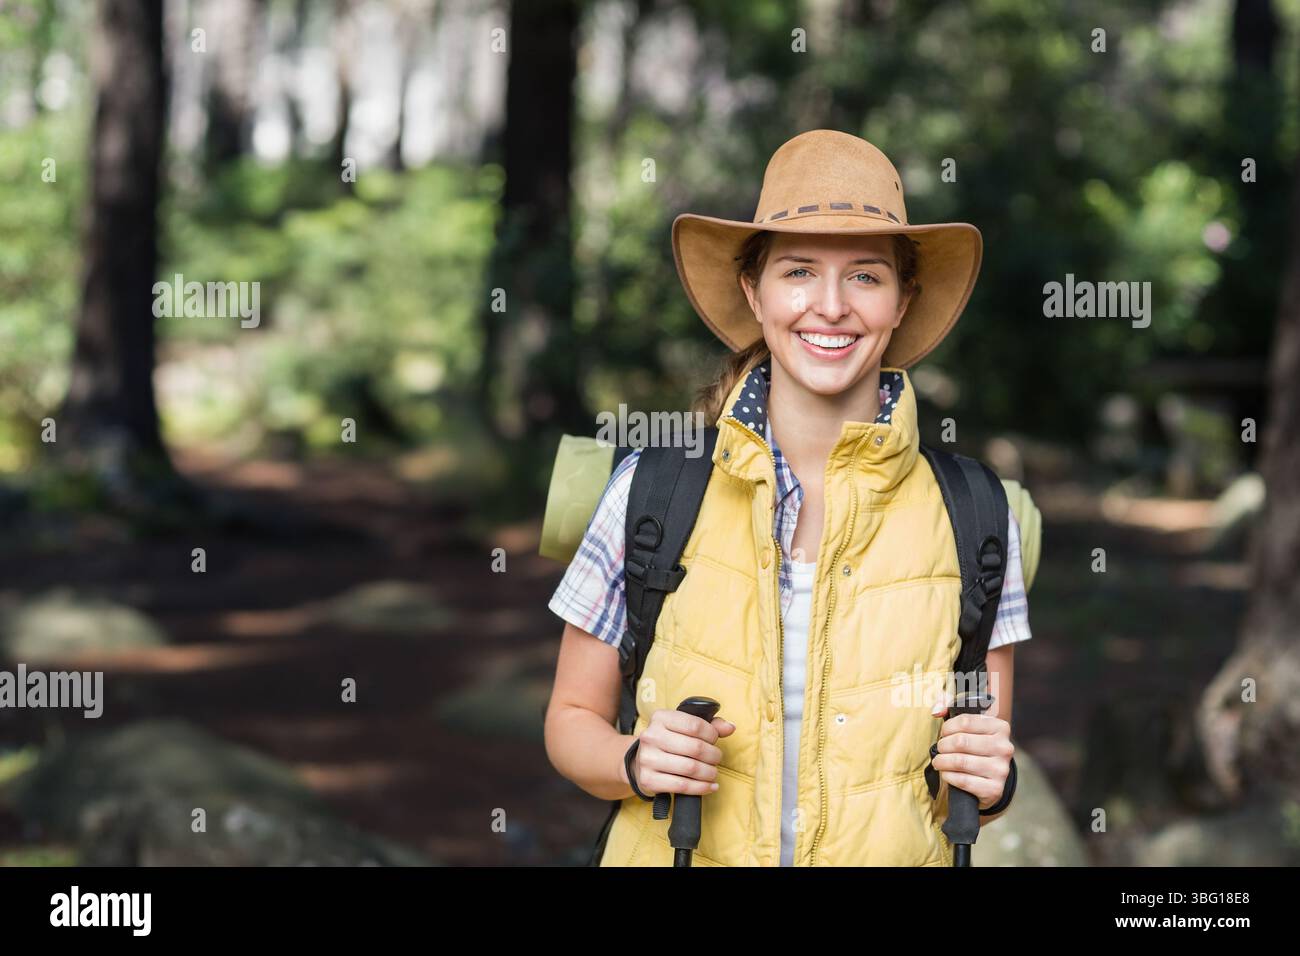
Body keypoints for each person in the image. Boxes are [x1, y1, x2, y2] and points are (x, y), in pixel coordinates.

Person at [544, 129, 1030, 866]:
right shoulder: (651, 490)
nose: (829, 306)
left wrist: (993, 782)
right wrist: (636, 762)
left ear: (903, 302)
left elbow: (971, 782)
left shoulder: (976, 516)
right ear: (754, 291)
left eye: (866, 276)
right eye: (799, 271)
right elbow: (571, 720)